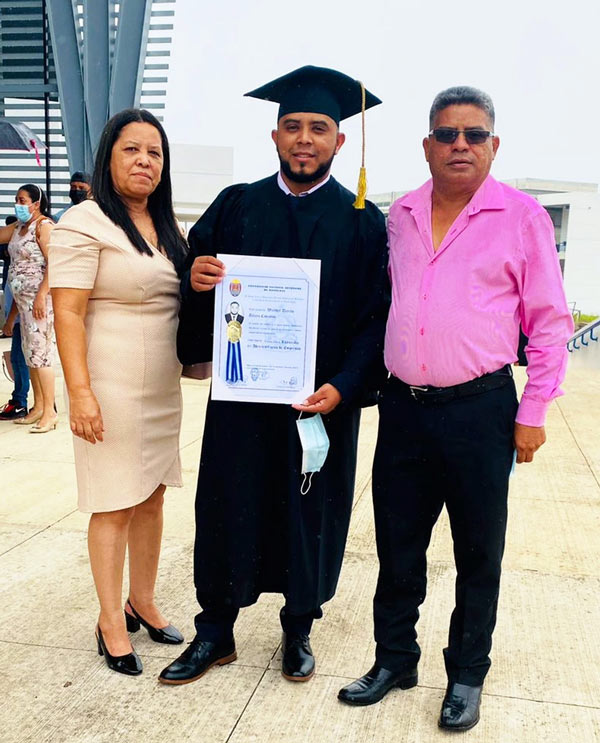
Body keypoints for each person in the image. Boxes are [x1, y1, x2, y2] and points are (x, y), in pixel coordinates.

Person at [337, 87, 574, 730]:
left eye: (474, 135)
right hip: (404, 410)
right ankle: (394, 660)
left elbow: (549, 324)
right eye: (447, 134)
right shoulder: (401, 214)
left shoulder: (521, 217)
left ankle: (467, 675)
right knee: (398, 545)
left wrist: (534, 410)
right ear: (427, 145)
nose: (460, 145)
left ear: (493, 145)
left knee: (478, 552)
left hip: (480, 411)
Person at [160, 66, 390, 686]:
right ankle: (216, 631)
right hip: (242, 403)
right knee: (229, 505)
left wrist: (344, 385)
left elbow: (377, 319)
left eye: (320, 127)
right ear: (275, 136)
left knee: (310, 514)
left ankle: (298, 628)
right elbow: (194, 274)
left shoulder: (365, 222)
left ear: (340, 142)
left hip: (319, 404)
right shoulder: (236, 204)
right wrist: (199, 277)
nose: (305, 138)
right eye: (294, 126)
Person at [49, 109, 188, 676]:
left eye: (154, 153)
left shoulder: (167, 225)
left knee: (151, 495)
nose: (144, 162)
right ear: (110, 156)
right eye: (132, 150)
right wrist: (80, 394)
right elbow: (67, 313)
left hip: (160, 388)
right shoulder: (85, 221)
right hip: (107, 386)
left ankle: (143, 599)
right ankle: (110, 619)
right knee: (113, 502)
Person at [0, 185, 56, 431]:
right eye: (16, 200)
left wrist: (42, 295)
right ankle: (39, 407)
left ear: (36, 203)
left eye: (22, 200)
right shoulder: (18, 228)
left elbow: (55, 263)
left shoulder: (44, 227)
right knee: (30, 355)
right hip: (23, 304)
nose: (18, 204)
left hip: (39, 302)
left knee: (41, 356)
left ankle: (50, 412)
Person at [0, 216, 31, 420]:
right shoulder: (11, 267)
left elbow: (20, 297)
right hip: (18, 315)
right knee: (22, 359)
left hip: (22, 316)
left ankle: (20, 401)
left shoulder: (23, 267)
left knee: (23, 360)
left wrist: (10, 321)